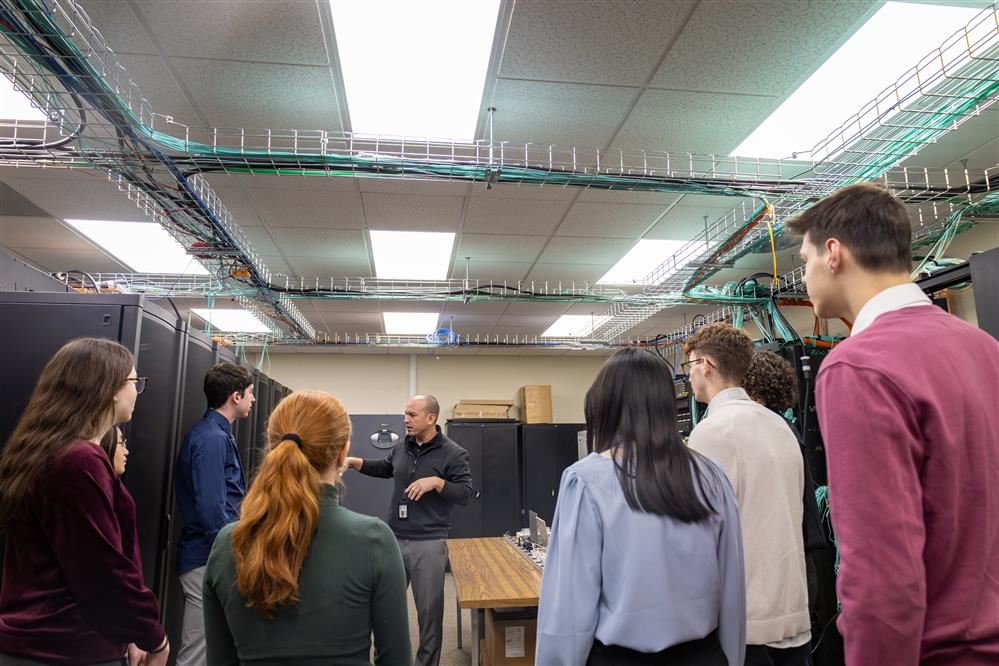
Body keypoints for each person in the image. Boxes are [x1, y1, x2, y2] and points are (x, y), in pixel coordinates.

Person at [787, 182, 999, 663]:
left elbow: (881, 572)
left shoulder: (858, 366)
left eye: (805, 260)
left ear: (834, 254)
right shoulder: (986, 350)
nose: (804, 276)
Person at [536, 348, 745, 665]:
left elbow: (568, 607)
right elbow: (732, 590)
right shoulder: (712, 476)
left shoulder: (588, 480)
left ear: (605, 405)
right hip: (705, 655)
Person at [203, 390, 411, 665]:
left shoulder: (229, 543)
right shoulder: (374, 540)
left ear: (272, 447)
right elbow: (396, 660)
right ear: (342, 453)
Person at [0, 337, 169, 665]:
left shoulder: (52, 450)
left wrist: (129, 630)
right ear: (109, 389)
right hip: (63, 649)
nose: (137, 391)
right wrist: (154, 637)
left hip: (45, 644)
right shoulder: (78, 460)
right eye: (135, 382)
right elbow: (102, 571)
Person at [684, 324, 811, 666]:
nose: (690, 376)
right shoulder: (779, 427)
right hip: (793, 615)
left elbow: (700, 533)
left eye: (690, 366)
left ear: (706, 365)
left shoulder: (711, 432)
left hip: (745, 626)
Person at [343, 394, 474, 666]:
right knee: (382, 605)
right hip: (394, 538)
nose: (405, 419)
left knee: (429, 615)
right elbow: (385, 468)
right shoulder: (404, 446)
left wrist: (437, 482)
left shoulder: (454, 453)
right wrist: (355, 462)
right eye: (405, 414)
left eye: (412, 415)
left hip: (428, 542)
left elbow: (465, 494)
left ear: (431, 418)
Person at [174, 362, 255, 666]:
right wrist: (236, 554)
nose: (253, 399)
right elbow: (212, 511)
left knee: (215, 648)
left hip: (211, 555)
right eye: (250, 393)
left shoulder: (218, 434)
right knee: (196, 653)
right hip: (205, 558)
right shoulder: (212, 439)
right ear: (235, 396)